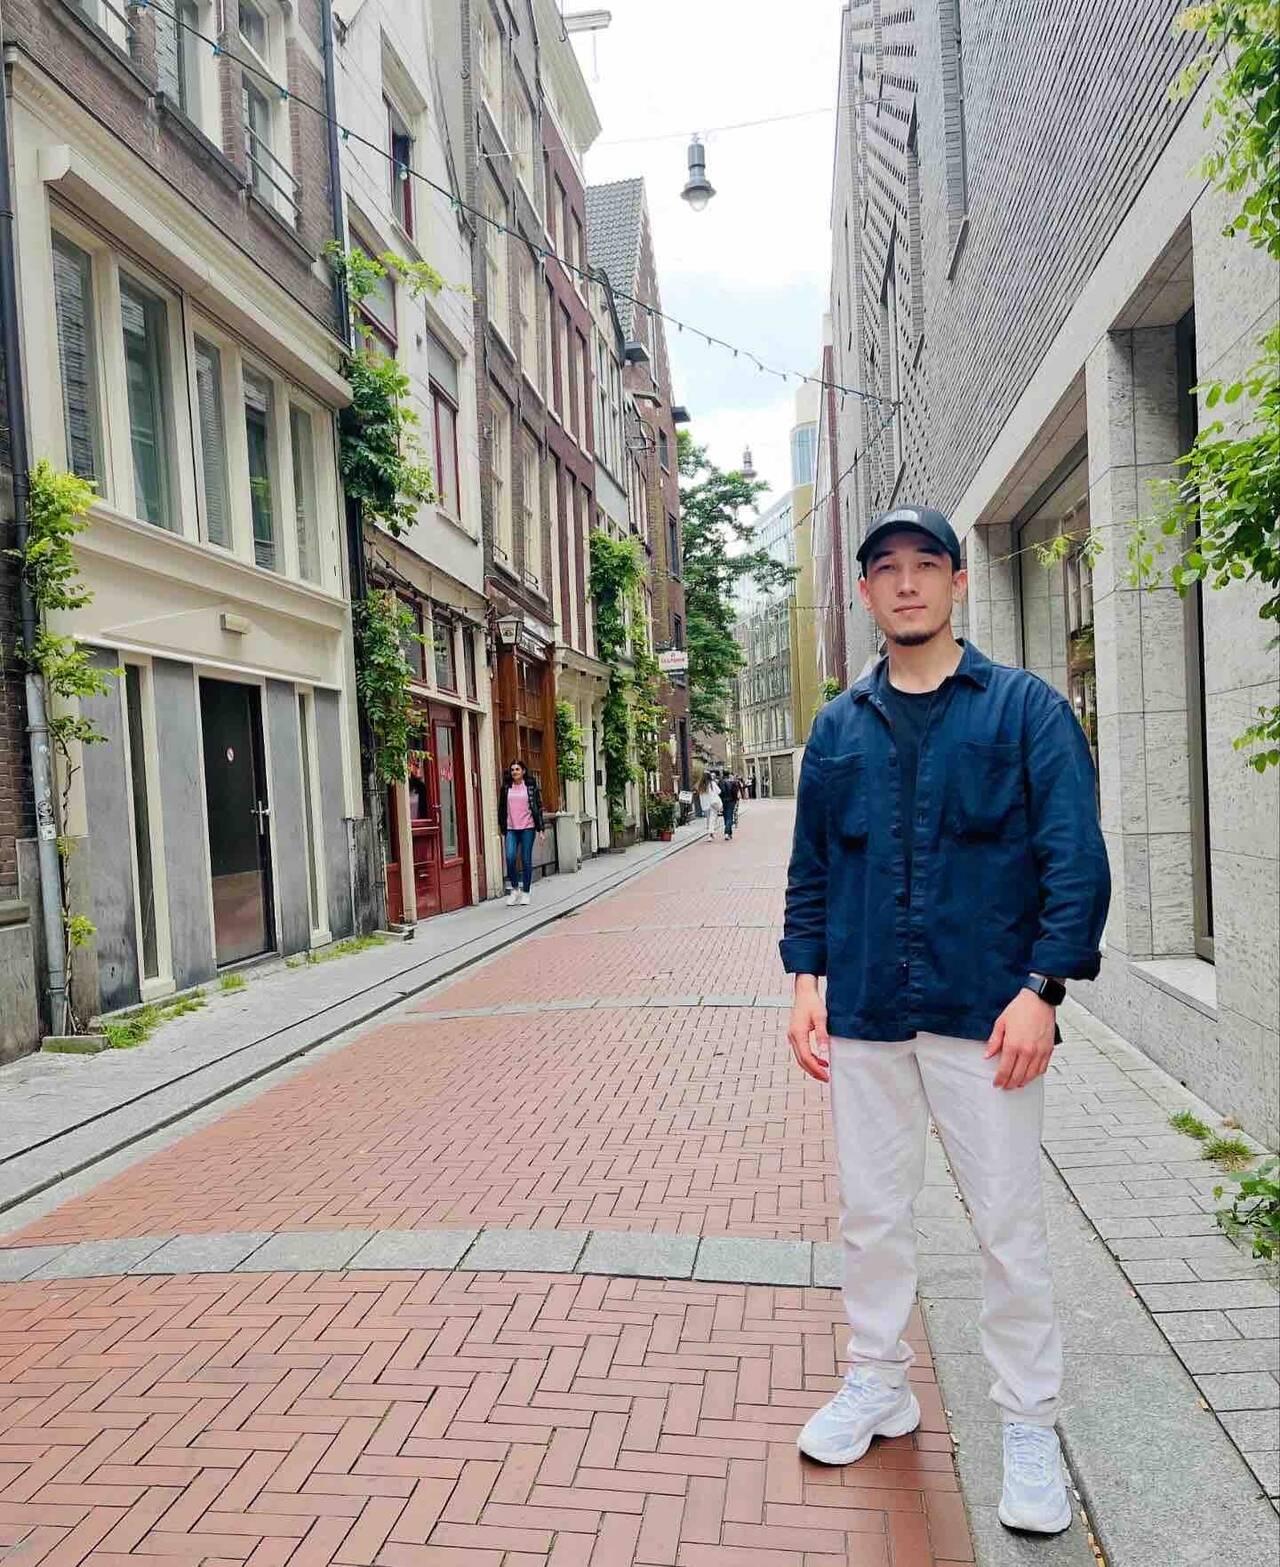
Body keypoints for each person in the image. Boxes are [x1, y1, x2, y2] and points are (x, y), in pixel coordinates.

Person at [781, 504, 1109, 1536]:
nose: (907, 582)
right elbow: (810, 869)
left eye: (927, 564)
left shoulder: (1024, 711)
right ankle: (878, 1380)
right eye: (887, 568)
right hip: (868, 1010)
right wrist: (804, 979)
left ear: (957, 582)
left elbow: (1074, 858)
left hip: (987, 1015)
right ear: (866, 592)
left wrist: (1043, 989)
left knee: (1006, 1226)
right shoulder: (837, 729)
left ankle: (1027, 1422)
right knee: (871, 1215)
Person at [497, 759, 544, 906]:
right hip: (511, 828)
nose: (514, 772)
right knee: (510, 857)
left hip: (528, 827)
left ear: (523, 771)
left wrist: (541, 829)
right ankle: (515, 889)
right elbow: (501, 809)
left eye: (517, 769)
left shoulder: (530, 786)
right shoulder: (506, 788)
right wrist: (502, 827)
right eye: (512, 770)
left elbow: (538, 807)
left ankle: (526, 892)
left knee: (525, 859)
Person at [700, 770, 722, 840]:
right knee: (712, 818)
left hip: (706, 805)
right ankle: (711, 834)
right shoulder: (712, 783)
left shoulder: (701, 785)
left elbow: (701, 796)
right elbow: (719, 791)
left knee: (708, 819)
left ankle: (711, 833)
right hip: (713, 803)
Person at [719, 771, 741, 839]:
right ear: (728, 775)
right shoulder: (732, 782)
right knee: (729, 817)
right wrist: (735, 800)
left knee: (725, 817)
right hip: (731, 801)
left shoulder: (720, 782)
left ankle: (729, 833)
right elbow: (735, 793)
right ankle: (727, 833)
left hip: (723, 801)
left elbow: (719, 793)